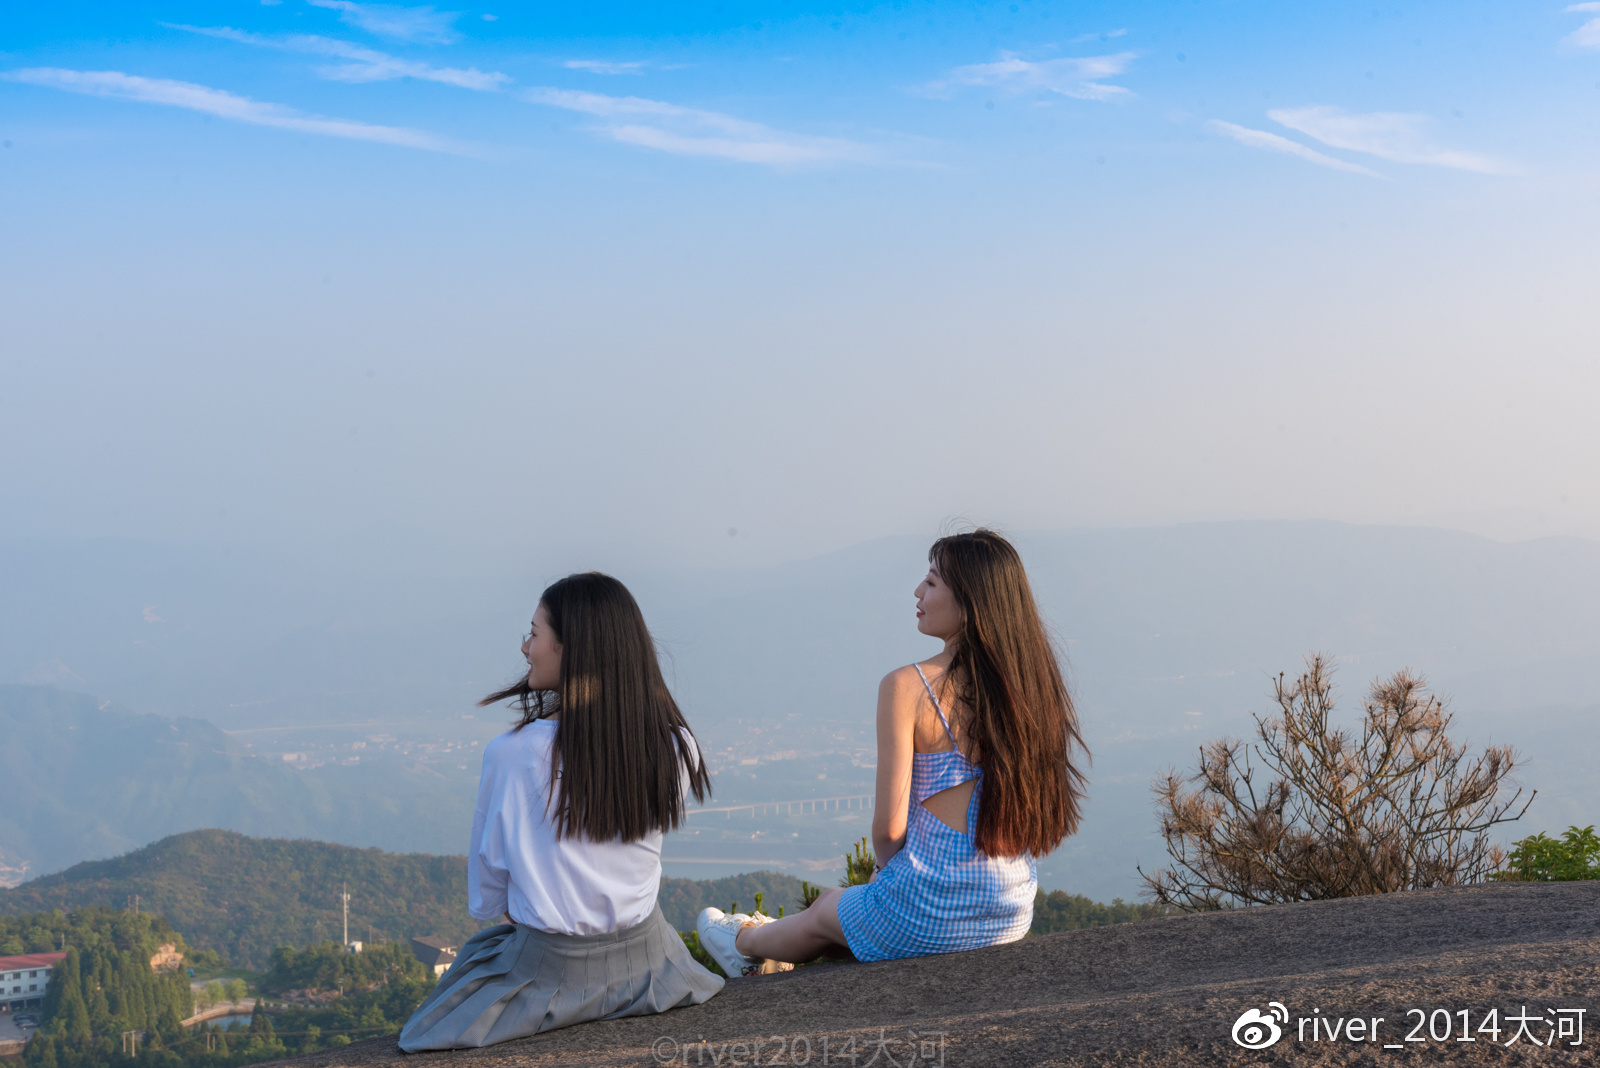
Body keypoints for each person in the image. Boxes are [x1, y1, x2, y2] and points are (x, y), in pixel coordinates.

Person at [697, 529, 1088, 972]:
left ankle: (743, 942)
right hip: (1009, 912)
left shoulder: (908, 687)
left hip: (930, 909)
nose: (918, 591)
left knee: (828, 911)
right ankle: (770, 943)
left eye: (933, 582)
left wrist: (884, 874)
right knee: (840, 907)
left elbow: (888, 831)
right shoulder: (1034, 690)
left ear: (970, 602)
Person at [400, 572, 723, 1051]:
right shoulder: (676, 743)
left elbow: (489, 897)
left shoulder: (513, 754)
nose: (526, 647)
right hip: (655, 967)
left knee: (423, 1032)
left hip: (548, 976)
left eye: (534, 634)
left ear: (571, 649)